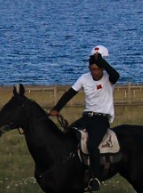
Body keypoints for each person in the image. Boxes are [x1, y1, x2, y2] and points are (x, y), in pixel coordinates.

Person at [51, 45, 123, 185]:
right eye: (92, 70)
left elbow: (116, 75)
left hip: (101, 119)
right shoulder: (84, 78)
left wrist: (101, 61)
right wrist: (56, 109)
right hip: (87, 117)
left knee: (92, 145)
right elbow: (70, 93)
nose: (95, 72)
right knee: (68, 136)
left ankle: (96, 177)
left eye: (97, 69)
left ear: (102, 69)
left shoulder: (108, 78)